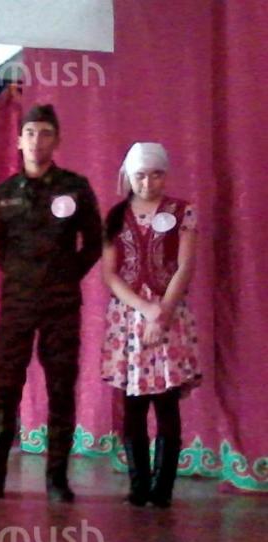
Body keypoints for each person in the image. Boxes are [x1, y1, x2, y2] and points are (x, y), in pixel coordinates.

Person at [0, 104, 103, 503]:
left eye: (45, 133)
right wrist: (23, 277)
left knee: (61, 388)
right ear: (19, 140)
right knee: (5, 387)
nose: (37, 141)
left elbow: (94, 242)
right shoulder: (5, 193)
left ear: (57, 140)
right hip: (17, 302)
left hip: (60, 304)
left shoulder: (75, 187)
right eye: (30, 133)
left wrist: (65, 275)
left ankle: (57, 478)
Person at [101, 142, 200, 508]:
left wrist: (163, 312)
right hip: (128, 318)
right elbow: (110, 274)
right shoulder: (115, 216)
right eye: (140, 175)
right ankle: (138, 484)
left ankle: (163, 487)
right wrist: (144, 308)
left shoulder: (182, 211)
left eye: (156, 174)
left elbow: (185, 266)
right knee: (133, 404)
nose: (148, 183)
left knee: (166, 403)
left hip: (169, 315)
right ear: (129, 176)